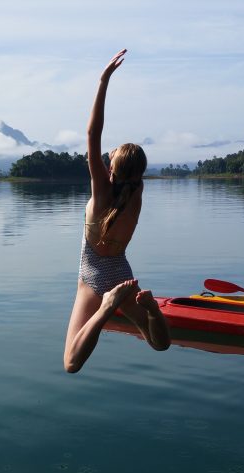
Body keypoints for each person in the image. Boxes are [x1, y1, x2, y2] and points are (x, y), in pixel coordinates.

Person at [63, 49, 171, 373]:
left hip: (94, 275)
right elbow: (119, 163)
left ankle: (104, 309)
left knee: (71, 363)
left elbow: (91, 135)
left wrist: (103, 81)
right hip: (122, 273)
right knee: (158, 342)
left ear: (110, 169)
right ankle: (152, 310)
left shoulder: (102, 193)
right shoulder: (136, 192)